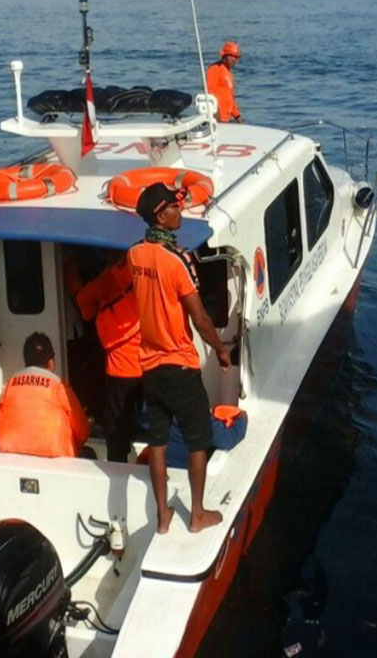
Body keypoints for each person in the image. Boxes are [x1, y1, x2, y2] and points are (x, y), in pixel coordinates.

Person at [128, 183, 232, 534]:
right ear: (160, 214)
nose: (180, 211)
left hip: (149, 367)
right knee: (198, 438)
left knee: (156, 441)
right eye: (174, 206)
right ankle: (197, 514)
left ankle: (162, 516)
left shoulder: (134, 255)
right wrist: (220, 350)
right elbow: (200, 318)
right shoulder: (178, 260)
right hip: (180, 365)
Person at [65, 250, 143, 463]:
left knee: (116, 430)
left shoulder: (100, 286)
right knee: (153, 424)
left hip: (121, 370)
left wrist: (69, 268)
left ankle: (117, 469)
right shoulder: (142, 273)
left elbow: (82, 304)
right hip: (150, 363)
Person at [0, 332, 91, 458]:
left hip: (12, 455)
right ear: (51, 362)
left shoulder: (9, 383)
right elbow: (82, 431)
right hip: (55, 461)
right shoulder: (58, 385)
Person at [206, 40, 242, 123]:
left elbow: (230, 98)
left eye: (236, 57)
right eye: (232, 57)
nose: (234, 60)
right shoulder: (215, 68)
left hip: (227, 119)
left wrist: (237, 116)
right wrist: (215, 112)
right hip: (217, 118)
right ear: (225, 56)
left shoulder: (228, 73)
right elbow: (209, 92)